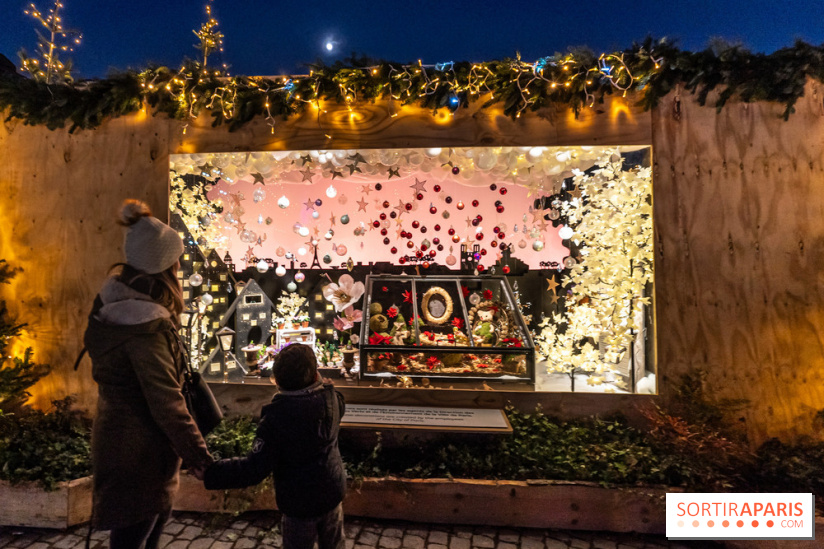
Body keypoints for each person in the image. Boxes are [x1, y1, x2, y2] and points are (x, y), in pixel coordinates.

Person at [84, 199, 213, 549]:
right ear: (164, 266)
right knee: (133, 539)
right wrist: (200, 457)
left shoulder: (113, 308)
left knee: (138, 536)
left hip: (126, 443)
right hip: (139, 455)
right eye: (175, 260)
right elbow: (165, 401)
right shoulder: (144, 328)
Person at [198, 343, 346, 549]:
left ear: (277, 382)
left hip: (299, 503)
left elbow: (254, 468)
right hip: (332, 492)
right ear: (315, 376)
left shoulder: (277, 418)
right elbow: (336, 399)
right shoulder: (332, 399)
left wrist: (212, 472)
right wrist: (327, 386)